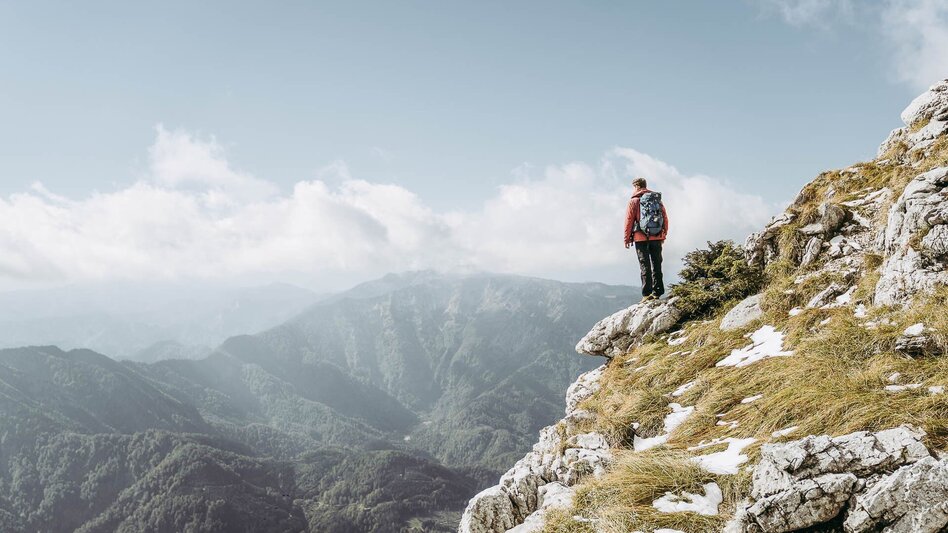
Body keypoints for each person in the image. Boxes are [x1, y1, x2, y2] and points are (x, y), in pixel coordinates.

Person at [624, 177, 669, 301]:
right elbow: (664, 217)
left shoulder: (634, 201)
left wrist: (626, 239)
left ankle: (646, 294)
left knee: (645, 265)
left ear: (636, 186)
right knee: (657, 263)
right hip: (657, 236)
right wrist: (663, 234)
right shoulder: (657, 200)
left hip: (640, 237)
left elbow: (629, 221)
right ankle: (658, 292)